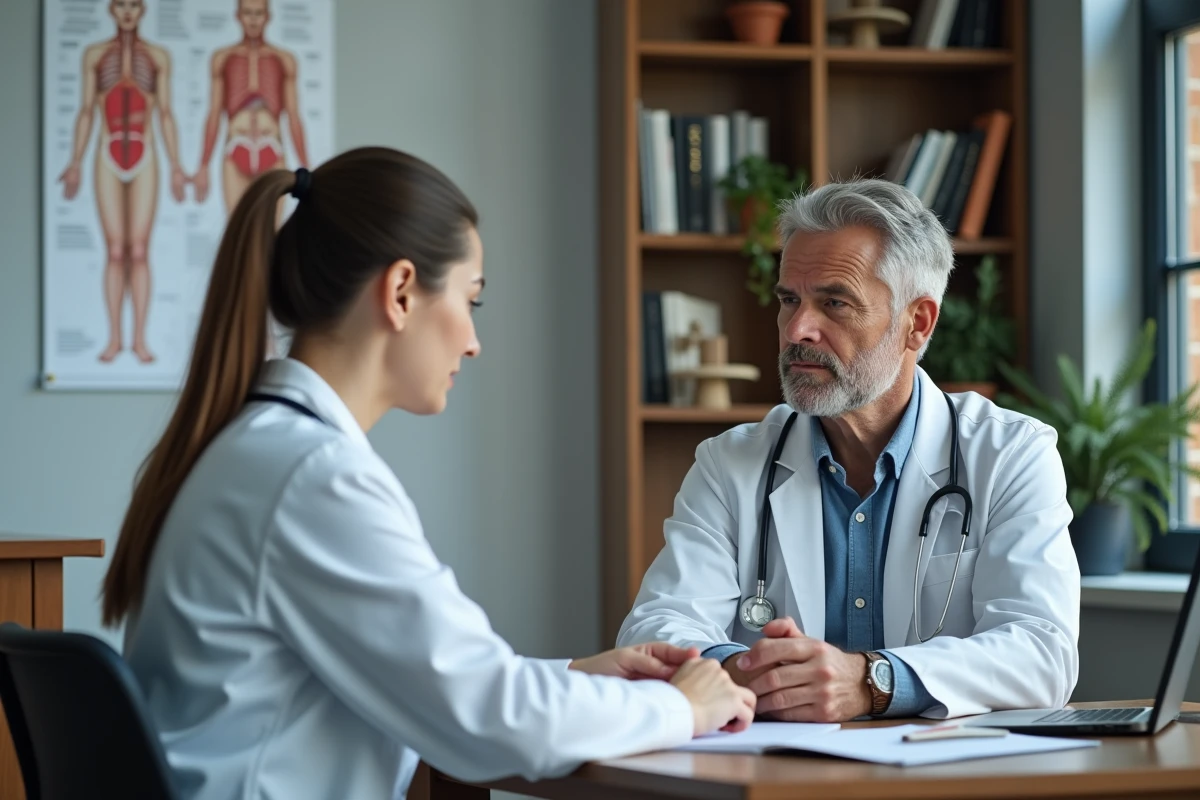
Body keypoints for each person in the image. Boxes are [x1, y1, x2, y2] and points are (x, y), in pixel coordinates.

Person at [104, 147, 755, 800]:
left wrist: (582, 677)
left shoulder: (252, 451)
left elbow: (439, 681)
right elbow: (490, 721)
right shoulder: (312, 478)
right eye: (471, 300)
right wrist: (684, 709)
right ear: (401, 291)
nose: (473, 341)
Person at [617, 178, 1081, 723]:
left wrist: (871, 681)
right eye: (789, 300)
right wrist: (771, 676)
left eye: (834, 302)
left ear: (918, 322)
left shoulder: (1009, 454)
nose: (798, 329)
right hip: (780, 776)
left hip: (945, 777)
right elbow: (656, 629)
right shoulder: (730, 464)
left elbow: (1042, 653)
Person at [58, 0, 186, 364]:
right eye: (121, 4)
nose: (128, 11)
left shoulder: (158, 56)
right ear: (112, 10)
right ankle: (115, 338)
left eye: (134, 4)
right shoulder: (95, 55)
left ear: (141, 10)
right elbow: (86, 111)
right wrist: (74, 163)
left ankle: (140, 340)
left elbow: (165, 114)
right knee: (115, 250)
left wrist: (177, 165)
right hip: (106, 154)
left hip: (146, 156)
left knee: (140, 250)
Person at [191, 0, 308, 216]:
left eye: (258, 13)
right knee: (237, 234)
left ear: (267, 16)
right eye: (248, 13)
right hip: (235, 149)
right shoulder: (223, 58)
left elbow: (293, 116)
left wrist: (306, 166)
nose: (253, 19)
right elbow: (214, 114)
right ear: (238, 16)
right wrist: (203, 165)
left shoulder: (284, 60)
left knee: (273, 239)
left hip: (272, 148)